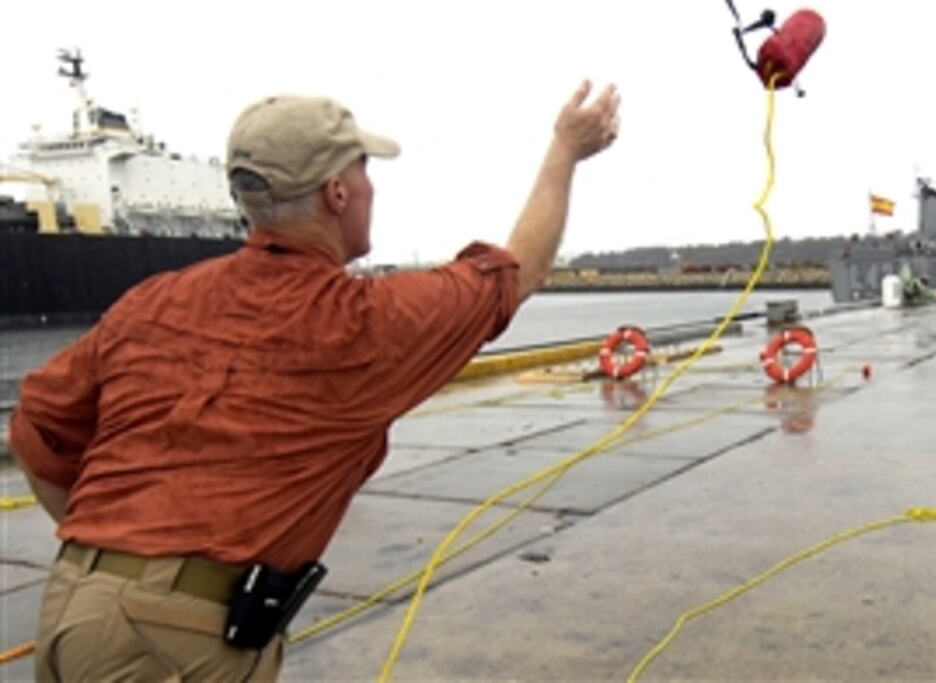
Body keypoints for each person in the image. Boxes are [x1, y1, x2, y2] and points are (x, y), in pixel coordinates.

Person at [9, 80, 621, 681]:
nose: (370, 187)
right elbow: (521, 270)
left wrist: (113, 559)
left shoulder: (155, 301)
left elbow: (37, 422)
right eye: (363, 171)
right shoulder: (362, 324)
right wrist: (566, 150)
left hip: (73, 609)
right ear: (336, 193)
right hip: (179, 641)